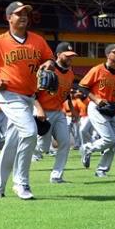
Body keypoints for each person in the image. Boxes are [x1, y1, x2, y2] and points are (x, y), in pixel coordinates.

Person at [0, 1, 54, 200]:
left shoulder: (37, 40)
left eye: (26, 12)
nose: (24, 16)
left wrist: (48, 64)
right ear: (9, 18)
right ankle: (21, 183)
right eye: (18, 13)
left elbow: (49, 59)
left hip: (28, 96)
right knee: (29, 132)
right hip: (9, 94)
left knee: (13, 141)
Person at [79, 44, 115, 178]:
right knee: (109, 139)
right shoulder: (97, 70)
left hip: (112, 109)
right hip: (97, 108)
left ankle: (101, 170)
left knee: (114, 144)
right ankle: (87, 148)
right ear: (108, 55)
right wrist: (95, 99)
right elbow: (82, 87)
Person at [33, 42, 77, 183]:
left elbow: (67, 93)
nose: (71, 58)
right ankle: (22, 146)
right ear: (58, 55)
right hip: (43, 111)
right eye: (67, 55)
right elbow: (32, 93)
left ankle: (56, 176)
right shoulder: (46, 69)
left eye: (72, 56)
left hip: (58, 112)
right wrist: (39, 109)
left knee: (65, 142)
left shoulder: (70, 73)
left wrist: (72, 108)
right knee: (43, 148)